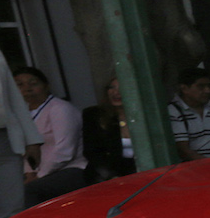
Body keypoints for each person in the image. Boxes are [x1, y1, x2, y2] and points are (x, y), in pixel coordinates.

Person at [14, 65, 87, 203]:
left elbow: (64, 151)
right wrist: (29, 173)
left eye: (33, 83)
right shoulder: (22, 114)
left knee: (28, 191)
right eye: (20, 85)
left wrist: (39, 175)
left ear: (46, 86)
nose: (27, 88)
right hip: (38, 173)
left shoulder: (60, 109)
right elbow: (25, 150)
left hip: (70, 169)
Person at [80, 77, 136, 182]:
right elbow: (91, 152)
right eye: (112, 88)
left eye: (122, 87)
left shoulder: (145, 115)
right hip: (107, 175)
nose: (116, 92)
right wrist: (112, 176)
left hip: (140, 173)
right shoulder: (93, 115)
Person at [167, 66, 210, 161]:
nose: (208, 90)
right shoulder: (174, 111)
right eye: (201, 86)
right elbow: (183, 150)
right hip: (194, 168)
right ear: (184, 89)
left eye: (209, 86)